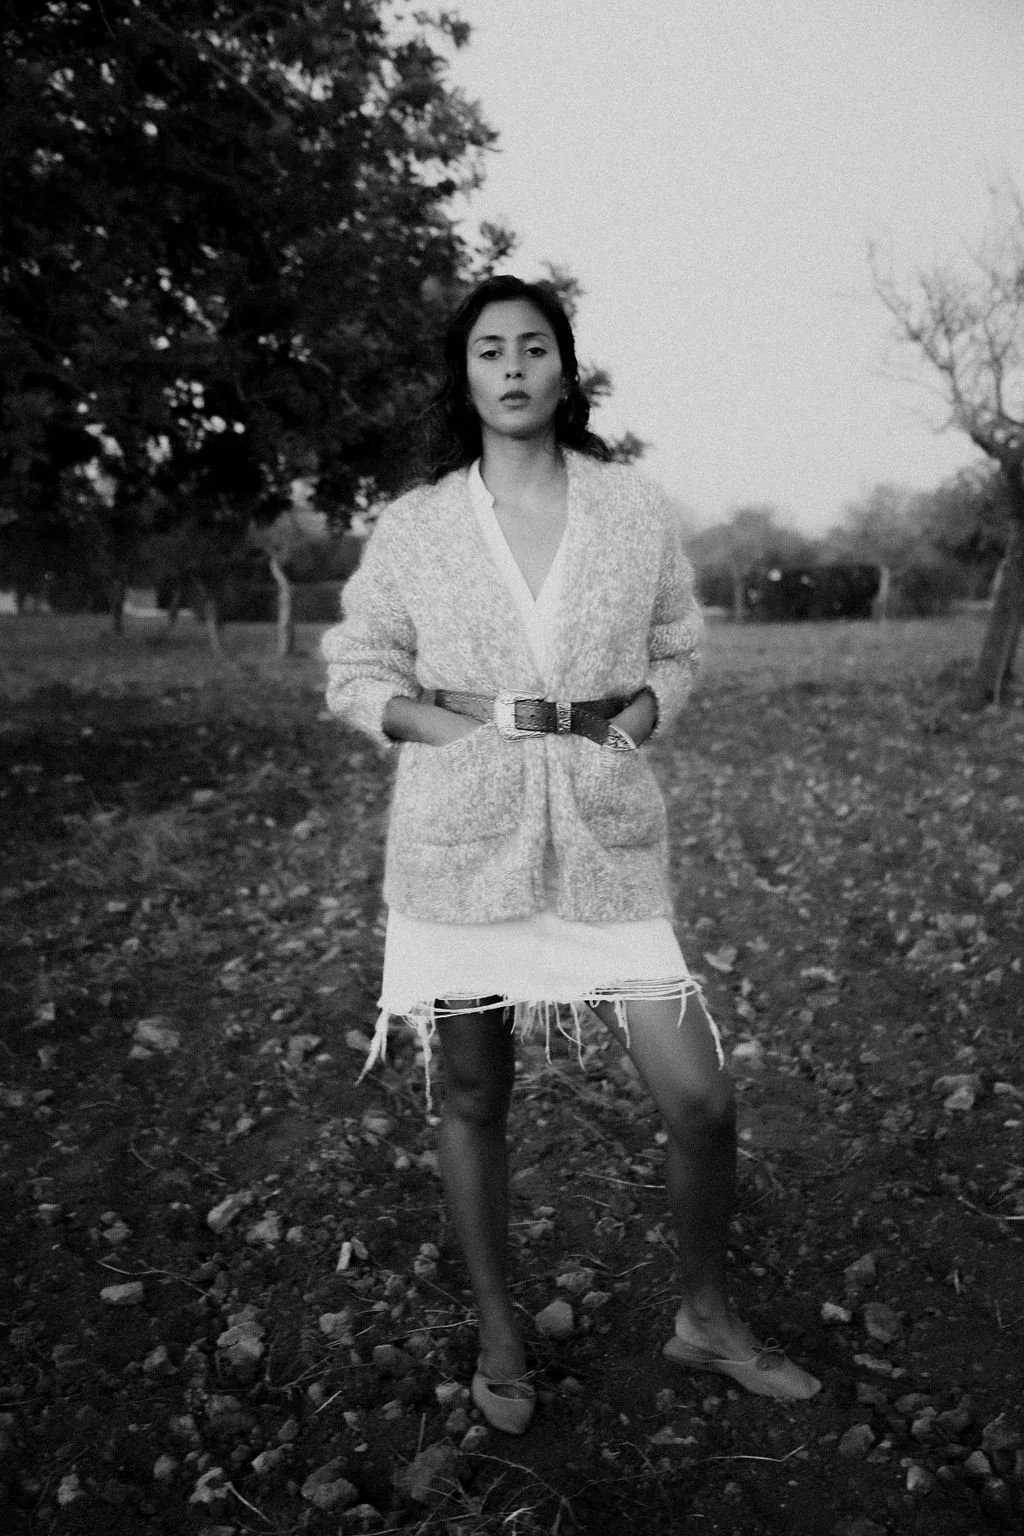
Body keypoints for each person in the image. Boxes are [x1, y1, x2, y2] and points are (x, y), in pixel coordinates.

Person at [321, 275, 821, 1434]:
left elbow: (678, 648)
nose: (510, 367)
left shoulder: (631, 508)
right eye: (488, 349)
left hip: (600, 832)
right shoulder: (417, 523)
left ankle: (705, 1316)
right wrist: (445, 736)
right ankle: (501, 1330)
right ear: (465, 376)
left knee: (698, 1097)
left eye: (532, 347)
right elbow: (359, 668)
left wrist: (629, 728)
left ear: (563, 368)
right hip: (461, 835)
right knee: (471, 1088)